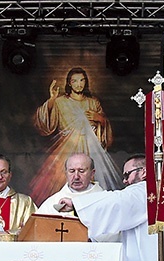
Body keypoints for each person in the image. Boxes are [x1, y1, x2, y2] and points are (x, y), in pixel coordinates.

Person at [31, 67, 122, 205]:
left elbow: (105, 131)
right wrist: (51, 100)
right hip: (65, 151)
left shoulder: (93, 102)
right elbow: (44, 123)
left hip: (91, 150)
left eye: (82, 80)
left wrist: (100, 119)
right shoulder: (60, 101)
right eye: (75, 81)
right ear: (69, 83)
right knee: (60, 184)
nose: (79, 84)